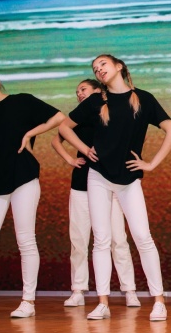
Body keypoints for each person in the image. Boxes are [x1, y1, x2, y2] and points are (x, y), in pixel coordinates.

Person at [58, 54, 171, 321]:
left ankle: (159, 301)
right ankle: (103, 303)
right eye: (95, 68)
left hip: (129, 179)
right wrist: (84, 150)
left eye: (102, 64)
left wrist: (151, 164)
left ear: (119, 66)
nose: (99, 70)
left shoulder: (143, 99)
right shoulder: (95, 101)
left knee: (143, 238)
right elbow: (64, 128)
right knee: (101, 241)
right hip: (98, 176)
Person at [0, 64, 65, 318]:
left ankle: (28, 301)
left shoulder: (22, 101)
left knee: (26, 240)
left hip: (24, 176)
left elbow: (58, 117)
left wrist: (30, 133)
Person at [51, 79, 140, 308]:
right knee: (79, 240)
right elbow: (56, 139)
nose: (79, 94)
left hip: (110, 183)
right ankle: (78, 289)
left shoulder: (111, 115)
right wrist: (72, 158)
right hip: (81, 184)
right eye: (77, 91)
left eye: (83, 90)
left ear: (98, 92)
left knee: (118, 239)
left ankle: (129, 289)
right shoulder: (77, 118)